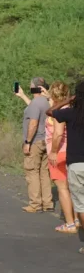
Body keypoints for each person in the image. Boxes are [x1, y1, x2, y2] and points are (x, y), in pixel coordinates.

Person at [48, 80, 84, 255]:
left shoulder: (68, 112)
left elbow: (52, 117)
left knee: (74, 198)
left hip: (71, 158)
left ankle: (75, 227)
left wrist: (67, 100)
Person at [44, 82, 78, 233]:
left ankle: (69, 223)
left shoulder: (59, 112)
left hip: (59, 152)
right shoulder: (69, 108)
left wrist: (53, 151)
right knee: (73, 188)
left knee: (62, 188)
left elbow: (58, 133)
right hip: (69, 151)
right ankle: (77, 219)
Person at [16, 78, 53, 213]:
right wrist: (22, 95)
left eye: (31, 86)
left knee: (32, 171)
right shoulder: (46, 102)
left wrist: (27, 142)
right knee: (44, 172)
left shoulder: (36, 103)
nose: (30, 87)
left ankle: (35, 204)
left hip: (35, 142)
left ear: (37, 88)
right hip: (45, 141)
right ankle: (47, 202)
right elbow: (34, 108)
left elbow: (33, 123)